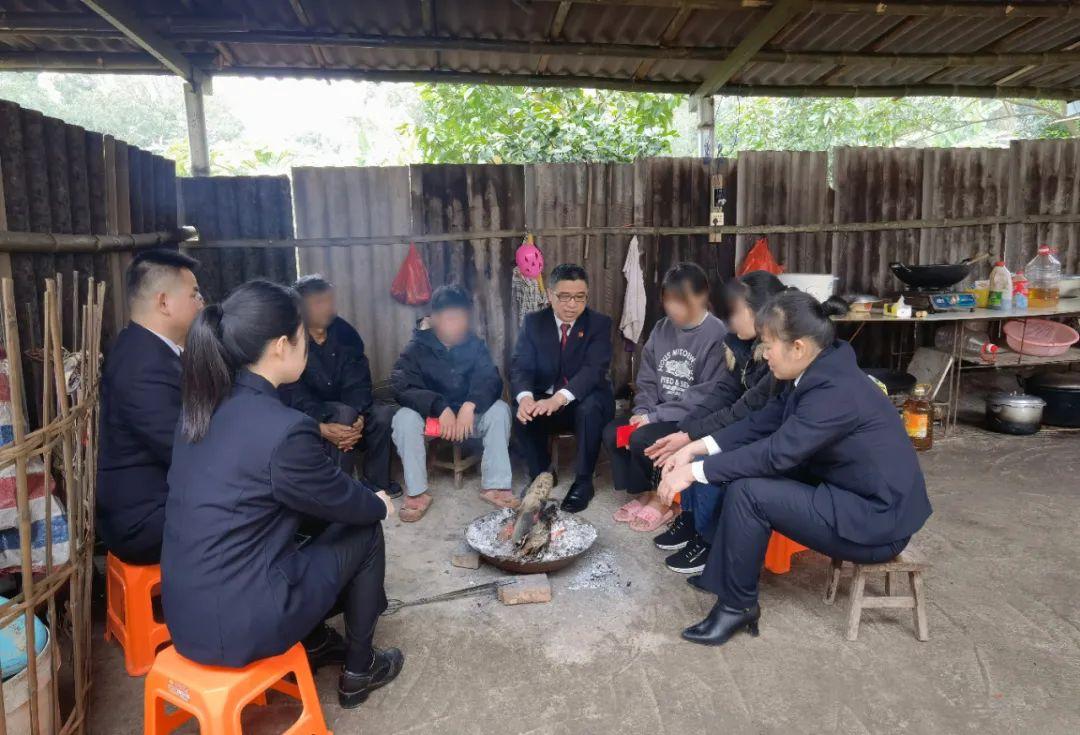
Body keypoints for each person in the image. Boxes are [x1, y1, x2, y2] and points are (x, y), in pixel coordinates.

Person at [161, 280, 403, 709]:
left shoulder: (200, 409)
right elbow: (346, 501)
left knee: (304, 530)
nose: (307, 344)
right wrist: (378, 503)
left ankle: (313, 642)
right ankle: (359, 670)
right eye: (301, 335)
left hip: (186, 619)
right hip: (242, 625)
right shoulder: (283, 428)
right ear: (279, 346)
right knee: (365, 529)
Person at [657, 290, 932, 647]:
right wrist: (695, 449)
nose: (763, 354)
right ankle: (725, 577)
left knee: (750, 492)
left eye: (768, 345)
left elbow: (777, 454)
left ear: (798, 347)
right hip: (848, 493)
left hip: (876, 520)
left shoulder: (834, 391)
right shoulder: (820, 369)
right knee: (741, 478)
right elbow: (764, 421)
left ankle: (737, 607)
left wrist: (693, 472)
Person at [645, 271, 786, 573]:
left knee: (709, 453)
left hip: (769, 437)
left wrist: (692, 439)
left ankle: (710, 540)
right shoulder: (740, 343)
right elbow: (725, 391)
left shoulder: (777, 354)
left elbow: (746, 410)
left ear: (762, 312)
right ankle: (694, 520)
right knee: (694, 444)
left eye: (736, 312)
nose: (730, 320)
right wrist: (685, 429)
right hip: (748, 424)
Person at [96, 249, 203, 565]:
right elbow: (187, 452)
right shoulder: (143, 366)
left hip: (160, 499)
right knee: (260, 509)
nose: (202, 303)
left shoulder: (151, 349)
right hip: (144, 520)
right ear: (164, 303)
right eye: (195, 294)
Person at [603, 262, 726, 533]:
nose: (673, 309)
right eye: (668, 301)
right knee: (615, 431)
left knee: (644, 438)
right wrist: (643, 409)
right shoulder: (661, 328)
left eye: (681, 302)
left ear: (703, 296)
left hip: (690, 418)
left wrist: (654, 416)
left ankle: (666, 502)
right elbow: (646, 377)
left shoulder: (716, 335)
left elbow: (706, 394)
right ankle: (645, 493)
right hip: (656, 412)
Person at [390, 285, 514, 522]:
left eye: (462, 318)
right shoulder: (416, 348)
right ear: (434, 318)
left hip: (469, 421)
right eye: (450, 319)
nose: (458, 325)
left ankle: (495, 486)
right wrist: (439, 406)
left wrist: (470, 405)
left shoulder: (475, 346)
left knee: (500, 410)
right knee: (404, 418)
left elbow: (490, 378)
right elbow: (402, 386)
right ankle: (417, 494)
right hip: (436, 423)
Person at [280, 275, 402, 499]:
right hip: (307, 417)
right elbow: (292, 392)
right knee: (341, 414)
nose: (329, 307)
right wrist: (321, 424)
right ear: (301, 308)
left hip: (349, 411)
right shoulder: (290, 340)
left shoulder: (344, 333)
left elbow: (359, 378)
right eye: (319, 302)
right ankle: (340, 489)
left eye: (330, 300)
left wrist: (359, 415)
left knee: (383, 414)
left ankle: (375, 482)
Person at [511, 263, 615, 513]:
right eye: (564, 297)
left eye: (579, 298)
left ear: (586, 297)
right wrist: (525, 397)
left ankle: (583, 482)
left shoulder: (599, 324)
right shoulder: (534, 322)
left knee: (589, 408)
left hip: (584, 400)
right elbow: (520, 365)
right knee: (520, 410)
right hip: (546, 400)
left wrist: (558, 399)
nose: (572, 305)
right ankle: (542, 474)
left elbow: (593, 370)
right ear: (550, 295)